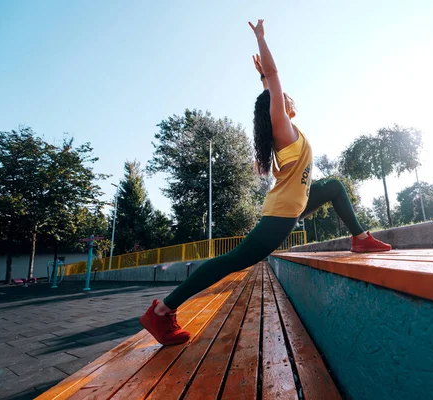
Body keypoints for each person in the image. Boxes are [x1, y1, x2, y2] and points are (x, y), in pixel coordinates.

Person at [140, 19, 391, 346]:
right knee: (233, 260)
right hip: (282, 215)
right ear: (278, 109)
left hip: (294, 204)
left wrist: (262, 79)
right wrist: (261, 40)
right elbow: (275, 83)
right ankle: (161, 311)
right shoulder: (282, 127)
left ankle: (359, 238)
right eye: (279, 98)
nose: (284, 97)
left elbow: (270, 89)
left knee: (333, 187)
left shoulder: (287, 128)